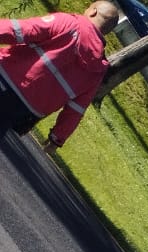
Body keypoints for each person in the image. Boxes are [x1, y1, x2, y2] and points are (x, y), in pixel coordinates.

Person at [0, 3, 120, 152]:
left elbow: (22, 30)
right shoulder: (98, 69)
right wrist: (57, 138)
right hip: (23, 110)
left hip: (7, 78)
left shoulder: (70, 23)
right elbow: (77, 108)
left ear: (93, 11)